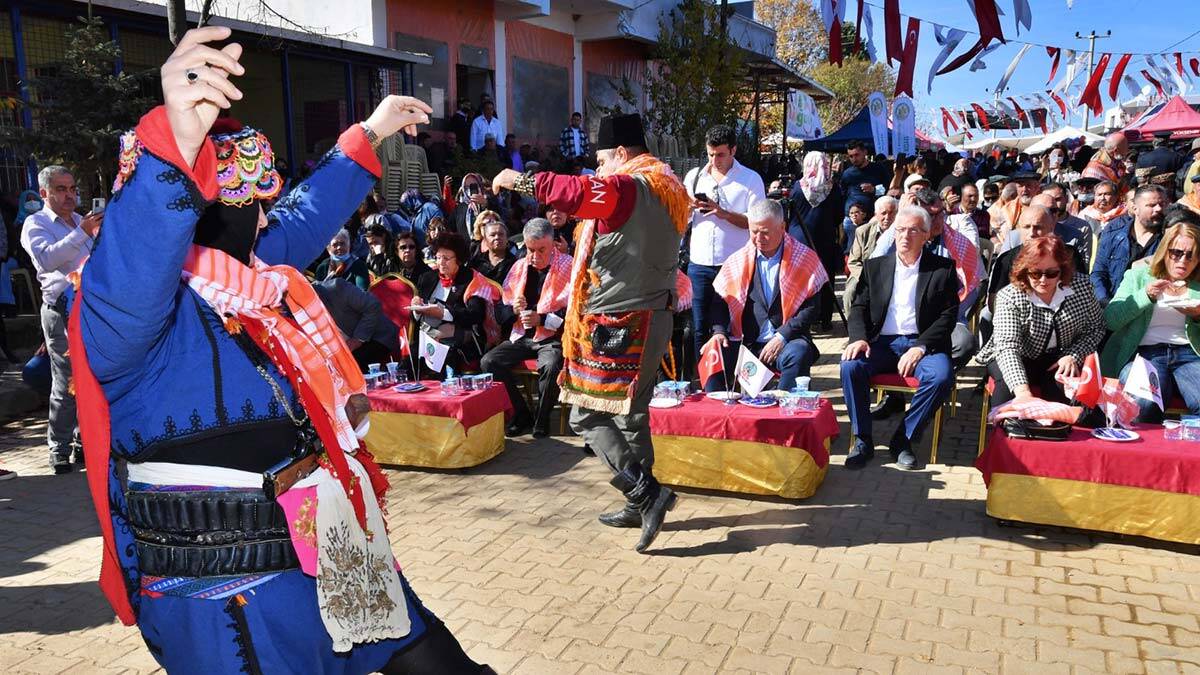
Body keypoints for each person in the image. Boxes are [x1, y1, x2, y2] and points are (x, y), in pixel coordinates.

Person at [68, 27, 485, 673]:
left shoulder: (246, 281)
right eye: (254, 204)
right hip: (228, 597)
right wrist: (173, 140)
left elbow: (308, 214)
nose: (269, 217)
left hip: (334, 548)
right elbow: (136, 250)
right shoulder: (126, 317)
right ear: (209, 212)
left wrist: (367, 134)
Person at [492, 112, 688, 552]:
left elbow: (580, 190)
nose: (597, 170)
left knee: (583, 412)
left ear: (621, 154)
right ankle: (643, 504)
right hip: (655, 315)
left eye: (600, 161)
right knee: (633, 414)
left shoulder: (627, 186)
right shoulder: (668, 187)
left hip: (618, 321)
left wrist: (519, 179)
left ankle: (645, 494)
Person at [841, 207, 959, 471]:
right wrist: (858, 339)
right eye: (901, 229)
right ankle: (862, 440)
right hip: (881, 344)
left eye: (913, 230)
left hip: (922, 345)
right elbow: (858, 307)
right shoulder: (876, 267)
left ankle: (903, 439)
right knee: (850, 366)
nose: (905, 236)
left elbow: (948, 316)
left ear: (927, 235)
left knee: (941, 376)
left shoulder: (942, 269)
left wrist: (920, 346)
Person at [22, 165, 101, 472]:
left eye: (72, 189)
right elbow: (47, 258)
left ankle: (84, 443)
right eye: (61, 189)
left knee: (92, 375)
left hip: (91, 307)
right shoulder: (36, 223)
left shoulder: (84, 221)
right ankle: (59, 447)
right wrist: (81, 235)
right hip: (60, 310)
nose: (70, 195)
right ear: (44, 193)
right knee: (67, 380)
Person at [703, 199, 825, 391]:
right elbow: (720, 302)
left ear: (782, 227)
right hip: (745, 340)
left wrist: (782, 336)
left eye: (765, 232)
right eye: (754, 232)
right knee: (714, 351)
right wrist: (718, 332)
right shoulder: (738, 260)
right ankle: (718, 416)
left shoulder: (804, 257)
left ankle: (783, 414)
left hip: (787, 339)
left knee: (798, 352)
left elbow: (812, 308)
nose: (759, 238)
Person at [977, 235, 1104, 407]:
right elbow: (1008, 347)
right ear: (1025, 270)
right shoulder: (1009, 295)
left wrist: (1074, 355)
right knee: (1008, 393)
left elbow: (1096, 328)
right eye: (1036, 273)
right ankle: (1003, 431)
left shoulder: (1082, 287)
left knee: (1063, 395)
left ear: (1063, 269)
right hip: (1015, 355)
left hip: (1060, 357)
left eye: (1052, 273)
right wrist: (1022, 392)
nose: (1043, 280)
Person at [482, 218, 571, 437]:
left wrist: (542, 320)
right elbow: (500, 314)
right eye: (531, 249)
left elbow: (572, 314)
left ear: (553, 245)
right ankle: (521, 414)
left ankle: (542, 419)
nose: (535, 256)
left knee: (550, 365)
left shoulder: (568, 266)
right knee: (488, 362)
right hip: (520, 336)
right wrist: (513, 310)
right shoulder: (518, 267)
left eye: (542, 250)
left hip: (553, 338)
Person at [1103, 220, 1200, 421]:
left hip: (1190, 354)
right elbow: (1111, 319)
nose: (1183, 261)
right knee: (1142, 407)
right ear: (1164, 251)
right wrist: (1144, 296)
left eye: (1191, 255)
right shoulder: (1138, 276)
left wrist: (1197, 316)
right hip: (1145, 353)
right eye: (1177, 253)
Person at [682, 125, 765, 360]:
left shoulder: (750, 179)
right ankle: (703, 381)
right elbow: (684, 219)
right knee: (699, 327)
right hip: (699, 263)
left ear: (733, 151)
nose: (714, 160)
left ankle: (735, 378)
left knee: (736, 326)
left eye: (720, 154)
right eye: (710, 154)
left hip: (734, 266)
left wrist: (723, 213)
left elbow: (756, 222)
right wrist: (688, 206)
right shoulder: (695, 176)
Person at [413, 231, 499, 372]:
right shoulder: (427, 278)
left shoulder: (472, 279)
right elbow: (415, 318)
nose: (441, 262)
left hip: (460, 342)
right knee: (409, 360)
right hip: (428, 337)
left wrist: (444, 314)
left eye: (446, 258)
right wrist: (417, 308)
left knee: (445, 356)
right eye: (438, 257)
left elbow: (475, 315)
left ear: (458, 259)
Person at [789, 151, 843, 331]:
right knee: (824, 278)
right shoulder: (833, 188)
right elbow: (838, 216)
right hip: (824, 238)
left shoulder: (797, 187)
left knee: (801, 279)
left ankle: (802, 319)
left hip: (799, 239)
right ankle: (825, 318)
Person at [989, 204, 1086, 303]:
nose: (1032, 233)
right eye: (1026, 227)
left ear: (1051, 227)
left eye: (1038, 227)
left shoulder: (1069, 255)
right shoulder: (1006, 259)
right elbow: (994, 301)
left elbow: (1082, 293)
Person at [1092, 184, 1167, 305]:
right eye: (1151, 205)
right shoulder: (1113, 234)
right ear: (1135, 208)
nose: (1158, 209)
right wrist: (1104, 301)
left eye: (1162, 204)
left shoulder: (1170, 239)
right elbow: (1098, 273)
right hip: (1113, 306)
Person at [313, 277, 402, 370]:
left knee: (349, 368)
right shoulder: (299, 309)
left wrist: (358, 339)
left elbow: (372, 305)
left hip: (376, 337)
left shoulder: (336, 287)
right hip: (341, 348)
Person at [845, 196, 897, 309]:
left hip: (893, 274)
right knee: (850, 293)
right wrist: (867, 278)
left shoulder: (902, 231)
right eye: (883, 213)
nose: (887, 217)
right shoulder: (863, 231)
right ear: (876, 214)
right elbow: (853, 262)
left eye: (892, 213)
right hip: (865, 274)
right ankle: (852, 324)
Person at [839, 140, 890, 211]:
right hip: (851, 217)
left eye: (857, 155)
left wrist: (874, 190)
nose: (854, 159)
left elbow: (888, 189)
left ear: (865, 152)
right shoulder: (847, 173)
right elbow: (842, 194)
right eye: (851, 156)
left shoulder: (878, 169)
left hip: (873, 215)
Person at [1135, 131, 1185, 200]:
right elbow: (1181, 177)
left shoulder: (1143, 158)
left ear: (1154, 141)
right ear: (1168, 141)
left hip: (1149, 195)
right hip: (1170, 195)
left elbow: (1136, 179)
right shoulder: (1177, 157)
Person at [1083, 131, 1131, 197]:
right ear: (1116, 150)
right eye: (1126, 148)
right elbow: (1090, 195)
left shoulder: (1117, 163)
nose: (1127, 151)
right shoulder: (1094, 168)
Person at [469, 218, 516, 284]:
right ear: (485, 239)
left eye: (501, 234)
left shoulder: (516, 264)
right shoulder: (476, 263)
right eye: (492, 235)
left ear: (507, 239)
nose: (497, 237)